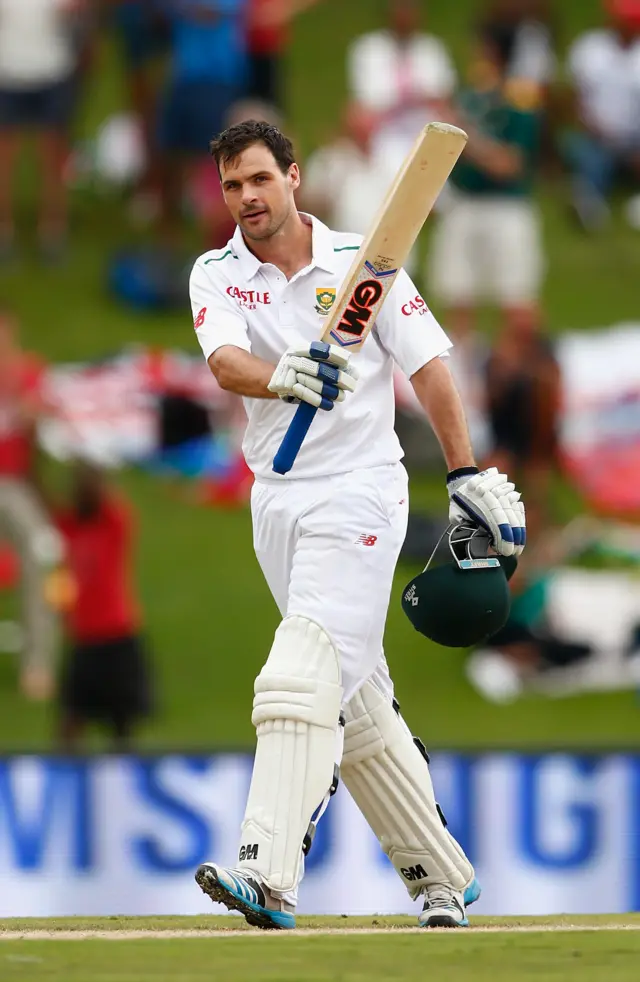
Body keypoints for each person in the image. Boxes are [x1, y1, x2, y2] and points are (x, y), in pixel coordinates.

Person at [188, 119, 526, 929]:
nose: (246, 199)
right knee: (355, 696)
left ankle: (267, 871)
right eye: (233, 186)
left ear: (294, 177)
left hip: (363, 492)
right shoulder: (216, 271)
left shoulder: (361, 266)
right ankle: (441, 876)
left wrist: (464, 472)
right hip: (277, 496)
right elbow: (224, 362)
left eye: (260, 180)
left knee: (301, 671)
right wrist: (282, 376)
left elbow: (429, 365)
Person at [428, 25, 545, 343]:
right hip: (465, 204)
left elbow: (510, 164)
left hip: (506, 208)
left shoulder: (518, 102)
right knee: (458, 293)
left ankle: (523, 372)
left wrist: (468, 139)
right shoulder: (468, 99)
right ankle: (463, 377)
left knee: (516, 296)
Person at [55, 462, 152, 751]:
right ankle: (67, 779)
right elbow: (43, 500)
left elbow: (114, 503)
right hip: (84, 638)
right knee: (71, 720)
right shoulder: (70, 526)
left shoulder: (114, 523)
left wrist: (97, 479)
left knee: (122, 723)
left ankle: (121, 782)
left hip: (117, 635)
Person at [0, 0, 92, 261]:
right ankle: (4, 234)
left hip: (54, 72)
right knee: (5, 160)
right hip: (7, 74)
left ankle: (52, 233)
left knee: (53, 158)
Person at [0, 311, 62, 700]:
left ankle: (38, 664)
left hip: (15, 485)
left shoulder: (28, 374)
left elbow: (44, 425)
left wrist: (28, 408)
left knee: (42, 555)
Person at [158, 0, 249, 244]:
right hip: (183, 77)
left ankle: (214, 238)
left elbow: (211, 13)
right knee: (171, 155)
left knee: (211, 162)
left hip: (216, 79)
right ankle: (171, 231)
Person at [564, 0, 640, 231]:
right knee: (587, 155)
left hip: (635, 136)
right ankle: (590, 205)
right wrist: (592, 126)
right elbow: (574, 98)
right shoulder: (590, 48)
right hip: (595, 133)